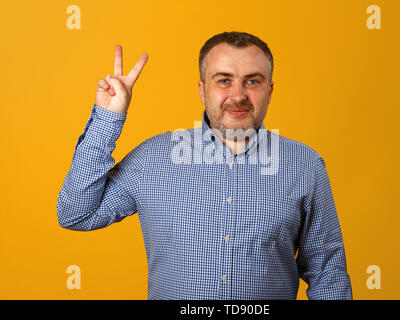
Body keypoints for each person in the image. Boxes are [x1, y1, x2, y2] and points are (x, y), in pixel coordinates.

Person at [57, 31, 352, 300]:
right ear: (202, 90)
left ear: (270, 90)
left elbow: (328, 274)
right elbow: (75, 214)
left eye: (252, 81)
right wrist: (107, 120)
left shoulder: (305, 165)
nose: (238, 95)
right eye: (224, 80)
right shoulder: (152, 158)